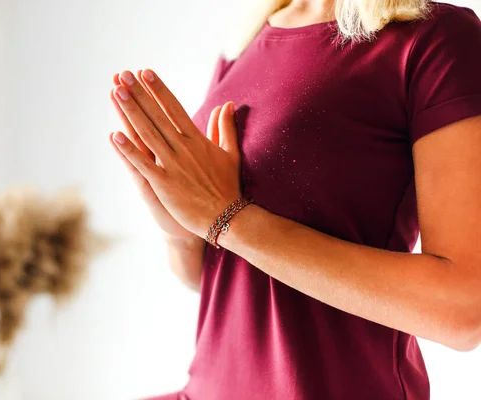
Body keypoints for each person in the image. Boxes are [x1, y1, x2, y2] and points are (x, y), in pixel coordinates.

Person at [107, 0, 481, 398]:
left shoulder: (436, 37)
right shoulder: (246, 42)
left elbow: (461, 311)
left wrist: (229, 218)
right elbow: (223, 282)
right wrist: (182, 233)